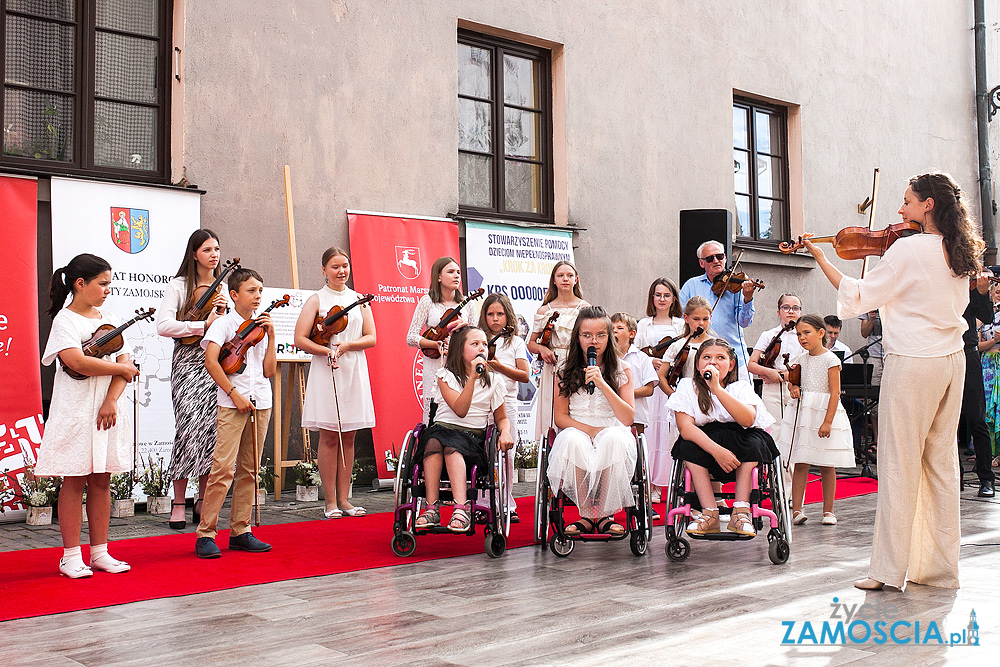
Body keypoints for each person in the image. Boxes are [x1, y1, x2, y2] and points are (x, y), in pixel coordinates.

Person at [803, 171, 984, 591]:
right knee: (941, 463)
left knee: (898, 465)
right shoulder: (959, 251)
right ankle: (940, 570)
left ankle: (886, 571)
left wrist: (820, 256)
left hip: (914, 362)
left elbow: (859, 295)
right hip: (952, 362)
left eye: (907, 201)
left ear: (928, 205)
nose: (899, 210)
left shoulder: (908, 250)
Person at [36, 254, 139, 578]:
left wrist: (110, 400)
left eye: (110, 283)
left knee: (102, 479)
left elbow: (127, 368)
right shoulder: (66, 321)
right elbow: (76, 361)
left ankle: (99, 553)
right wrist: (121, 367)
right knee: (74, 478)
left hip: (105, 412)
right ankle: (69, 556)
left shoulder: (110, 319)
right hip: (76, 411)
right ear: (81, 284)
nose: (108, 289)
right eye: (103, 283)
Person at [195, 268, 277, 558]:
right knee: (222, 468)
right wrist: (233, 393)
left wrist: (272, 334)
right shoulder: (223, 324)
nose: (257, 297)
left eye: (260, 291)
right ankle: (206, 533)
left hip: (261, 400)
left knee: (250, 470)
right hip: (232, 402)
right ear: (234, 294)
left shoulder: (263, 326)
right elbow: (211, 362)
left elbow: (269, 371)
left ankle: (241, 530)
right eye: (251, 291)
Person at [294, 247, 376, 519]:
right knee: (329, 435)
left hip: (353, 368)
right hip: (326, 367)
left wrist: (348, 344)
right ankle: (329, 502)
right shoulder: (316, 299)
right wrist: (327, 350)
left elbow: (371, 337)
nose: (342, 271)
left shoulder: (358, 299)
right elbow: (300, 338)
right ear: (324, 270)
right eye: (335, 266)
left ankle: (346, 499)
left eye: (345, 266)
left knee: (349, 436)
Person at [667, 338, 778, 536]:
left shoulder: (740, 387)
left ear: (731, 364)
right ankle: (709, 512)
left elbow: (747, 419)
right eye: (707, 357)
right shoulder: (686, 386)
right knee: (686, 445)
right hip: (705, 441)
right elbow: (686, 428)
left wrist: (717, 389)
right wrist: (717, 451)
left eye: (720, 358)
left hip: (739, 437)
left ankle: (741, 512)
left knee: (755, 443)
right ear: (698, 363)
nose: (713, 362)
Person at [155, 230, 227, 530]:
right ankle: (179, 501)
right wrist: (201, 325)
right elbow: (163, 325)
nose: (214, 254)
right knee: (187, 429)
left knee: (211, 431)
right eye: (207, 249)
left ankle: (203, 500)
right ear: (194, 253)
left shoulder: (224, 286)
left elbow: (230, 326)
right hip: (187, 363)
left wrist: (226, 313)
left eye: (217, 249)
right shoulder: (180, 285)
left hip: (217, 364)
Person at [413, 326, 514, 532]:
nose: (482, 348)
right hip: (442, 429)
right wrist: (471, 380)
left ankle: (461, 507)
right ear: (460, 349)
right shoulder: (445, 376)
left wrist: (505, 432)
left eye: (485, 344)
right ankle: (431, 507)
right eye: (475, 344)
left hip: (471, 437)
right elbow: (459, 409)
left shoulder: (493, 381)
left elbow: (501, 417)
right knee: (433, 442)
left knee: (452, 447)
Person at [546, 306, 636, 537]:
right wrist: (590, 430)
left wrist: (603, 383)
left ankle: (606, 515)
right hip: (577, 427)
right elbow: (561, 417)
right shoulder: (565, 369)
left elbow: (627, 418)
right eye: (587, 335)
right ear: (578, 337)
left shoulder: (623, 369)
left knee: (613, 438)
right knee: (572, 440)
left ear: (609, 337)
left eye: (600, 335)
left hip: (612, 427)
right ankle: (586, 515)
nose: (593, 341)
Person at [774, 314, 855, 526]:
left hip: (824, 413)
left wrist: (827, 422)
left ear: (821, 333)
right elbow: (793, 382)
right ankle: (797, 509)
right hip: (804, 414)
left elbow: (835, 393)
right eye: (799, 334)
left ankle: (828, 510)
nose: (802, 338)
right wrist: (793, 388)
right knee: (801, 461)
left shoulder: (831, 360)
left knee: (827, 464)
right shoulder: (800, 359)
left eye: (806, 333)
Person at [478, 293, 530, 522]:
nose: (495, 319)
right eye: (490, 314)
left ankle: (507, 502)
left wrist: (499, 367)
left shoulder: (515, 342)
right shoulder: (478, 338)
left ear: (508, 315)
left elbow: (525, 375)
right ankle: (481, 503)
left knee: (506, 453)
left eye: (500, 314)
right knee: (481, 452)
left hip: (507, 400)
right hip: (480, 401)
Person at [407, 257, 477, 422]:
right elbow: (411, 337)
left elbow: (475, 335)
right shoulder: (427, 301)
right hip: (434, 364)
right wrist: (435, 344)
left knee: (459, 411)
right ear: (438, 277)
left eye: (458, 272)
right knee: (434, 413)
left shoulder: (467, 304)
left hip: (460, 364)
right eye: (451, 272)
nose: (456, 276)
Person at [527, 261, 589, 445]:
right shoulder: (545, 310)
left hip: (577, 363)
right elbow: (531, 342)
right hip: (553, 366)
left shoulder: (584, 308)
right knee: (551, 410)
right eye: (561, 275)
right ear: (553, 280)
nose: (565, 279)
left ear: (576, 279)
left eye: (569, 275)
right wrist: (543, 348)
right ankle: (550, 453)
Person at [634, 278, 685, 502]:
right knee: (652, 432)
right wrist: (650, 360)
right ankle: (651, 484)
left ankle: (675, 483)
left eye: (666, 295)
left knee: (670, 432)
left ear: (674, 298)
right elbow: (635, 352)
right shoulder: (644, 324)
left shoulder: (681, 325)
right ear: (651, 298)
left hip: (671, 382)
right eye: (657, 295)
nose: (662, 299)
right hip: (651, 385)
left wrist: (666, 364)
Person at [678, 242, 756, 378]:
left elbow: (744, 323)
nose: (716, 261)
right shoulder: (691, 285)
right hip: (701, 359)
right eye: (710, 258)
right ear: (702, 263)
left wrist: (747, 299)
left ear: (725, 258)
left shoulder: (736, 286)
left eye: (719, 256)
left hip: (734, 357)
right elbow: (680, 320)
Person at [963, 271, 997, 498]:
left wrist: (983, 293)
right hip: (941, 354)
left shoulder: (970, 289)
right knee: (947, 423)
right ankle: (954, 481)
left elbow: (986, 317)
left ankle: (986, 479)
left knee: (977, 418)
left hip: (968, 355)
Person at [748, 293, 804, 422]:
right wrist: (769, 372)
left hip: (796, 386)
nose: (791, 311)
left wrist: (785, 376)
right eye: (786, 307)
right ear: (779, 312)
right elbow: (751, 364)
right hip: (771, 388)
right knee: (774, 429)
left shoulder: (803, 336)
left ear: (800, 312)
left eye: (796, 308)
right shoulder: (768, 335)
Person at [979, 278, 1000, 472]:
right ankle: (989, 452)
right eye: (998, 291)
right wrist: (993, 339)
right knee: (987, 407)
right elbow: (977, 344)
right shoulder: (984, 317)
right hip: (988, 363)